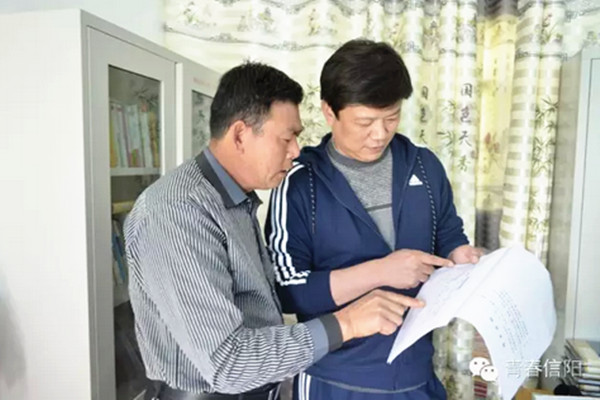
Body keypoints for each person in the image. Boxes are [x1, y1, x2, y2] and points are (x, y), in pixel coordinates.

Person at [124, 62, 423, 400]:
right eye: (287, 138)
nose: (296, 151)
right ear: (240, 135)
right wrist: (347, 323)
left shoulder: (235, 200)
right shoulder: (177, 211)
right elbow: (228, 363)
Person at [265, 39, 484, 400]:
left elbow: (448, 235)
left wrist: (460, 254)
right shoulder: (300, 183)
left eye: (391, 117)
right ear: (329, 112)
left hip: (416, 376)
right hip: (334, 381)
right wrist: (382, 271)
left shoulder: (425, 167)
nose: (380, 134)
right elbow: (287, 291)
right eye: (365, 122)